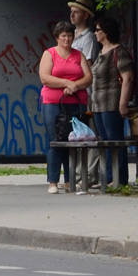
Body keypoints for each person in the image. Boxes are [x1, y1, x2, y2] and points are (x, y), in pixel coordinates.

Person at [39, 20, 92, 194]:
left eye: (70, 35)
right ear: (57, 38)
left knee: (73, 141)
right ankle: (52, 182)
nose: (67, 39)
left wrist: (75, 86)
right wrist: (66, 83)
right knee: (55, 141)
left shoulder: (79, 55)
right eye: (63, 36)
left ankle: (70, 181)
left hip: (76, 103)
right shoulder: (50, 54)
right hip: (53, 103)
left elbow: (88, 77)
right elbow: (45, 77)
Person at [90, 16, 135, 187]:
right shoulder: (100, 52)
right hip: (98, 104)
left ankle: (118, 178)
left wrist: (122, 103)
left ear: (106, 32)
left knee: (115, 139)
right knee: (105, 141)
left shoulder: (118, 51)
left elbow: (128, 78)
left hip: (112, 102)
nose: (95, 33)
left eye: (98, 30)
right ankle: (108, 177)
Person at [68, 0, 101, 189]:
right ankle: (79, 173)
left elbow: (86, 65)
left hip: (86, 92)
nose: (72, 14)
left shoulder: (88, 38)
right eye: (71, 10)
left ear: (86, 15)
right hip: (75, 92)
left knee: (89, 134)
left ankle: (90, 174)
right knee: (78, 133)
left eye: (77, 11)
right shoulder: (72, 35)